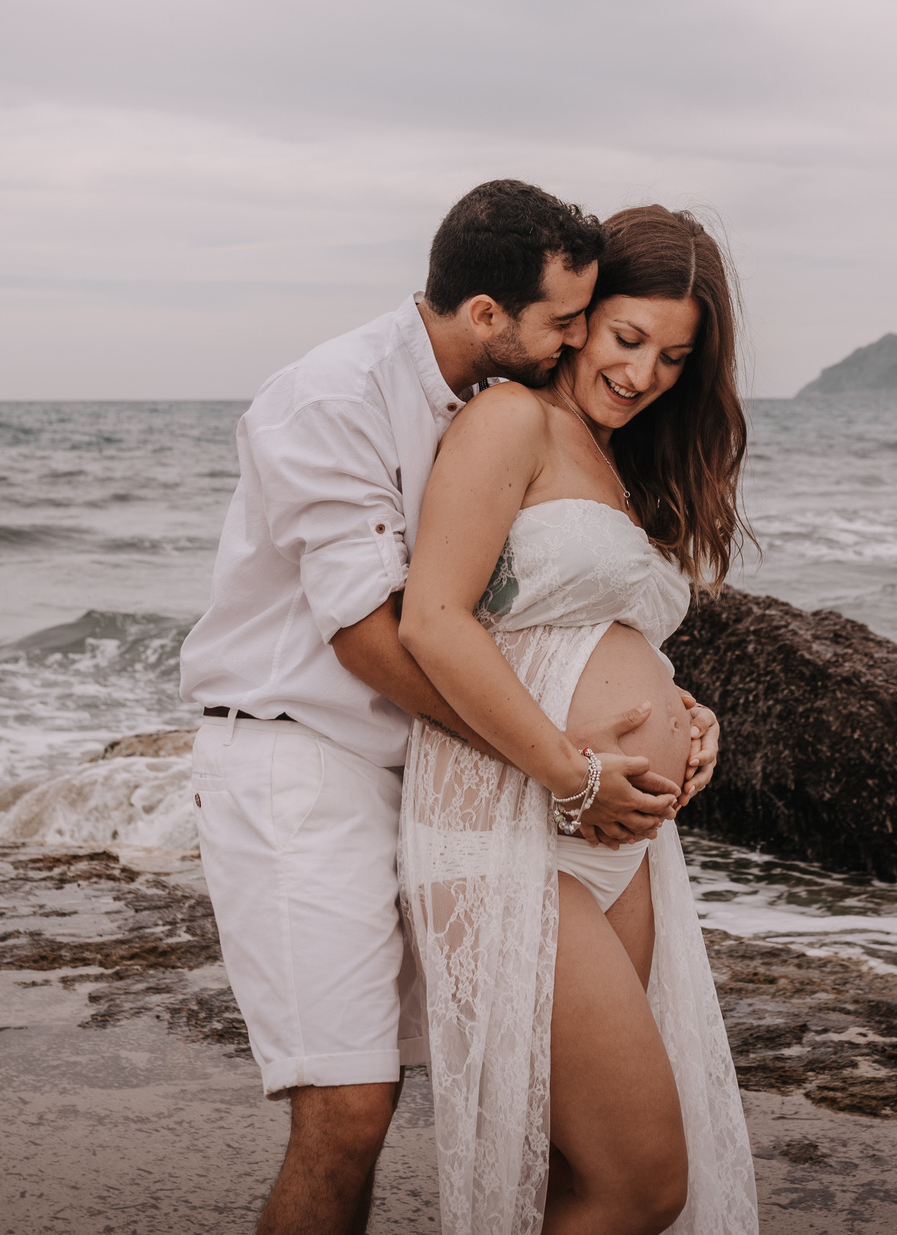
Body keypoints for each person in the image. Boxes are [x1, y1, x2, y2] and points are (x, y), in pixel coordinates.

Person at [180, 180, 723, 1235]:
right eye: (575, 323)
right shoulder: (333, 399)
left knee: (558, 1129)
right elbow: (381, 632)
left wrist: (670, 705)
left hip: (461, 777)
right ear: (488, 314)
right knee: (345, 1105)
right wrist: (563, 764)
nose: (588, 348)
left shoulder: (507, 411)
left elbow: (536, 616)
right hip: (308, 763)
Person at [398, 204, 759, 1235]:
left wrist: (684, 711)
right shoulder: (510, 420)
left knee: (577, 1171)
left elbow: (565, 630)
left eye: (674, 359)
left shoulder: (617, 462)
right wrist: (574, 774)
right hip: (515, 826)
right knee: (642, 1182)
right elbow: (434, 619)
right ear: (582, 317)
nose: (643, 374)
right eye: (627, 338)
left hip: (615, 846)